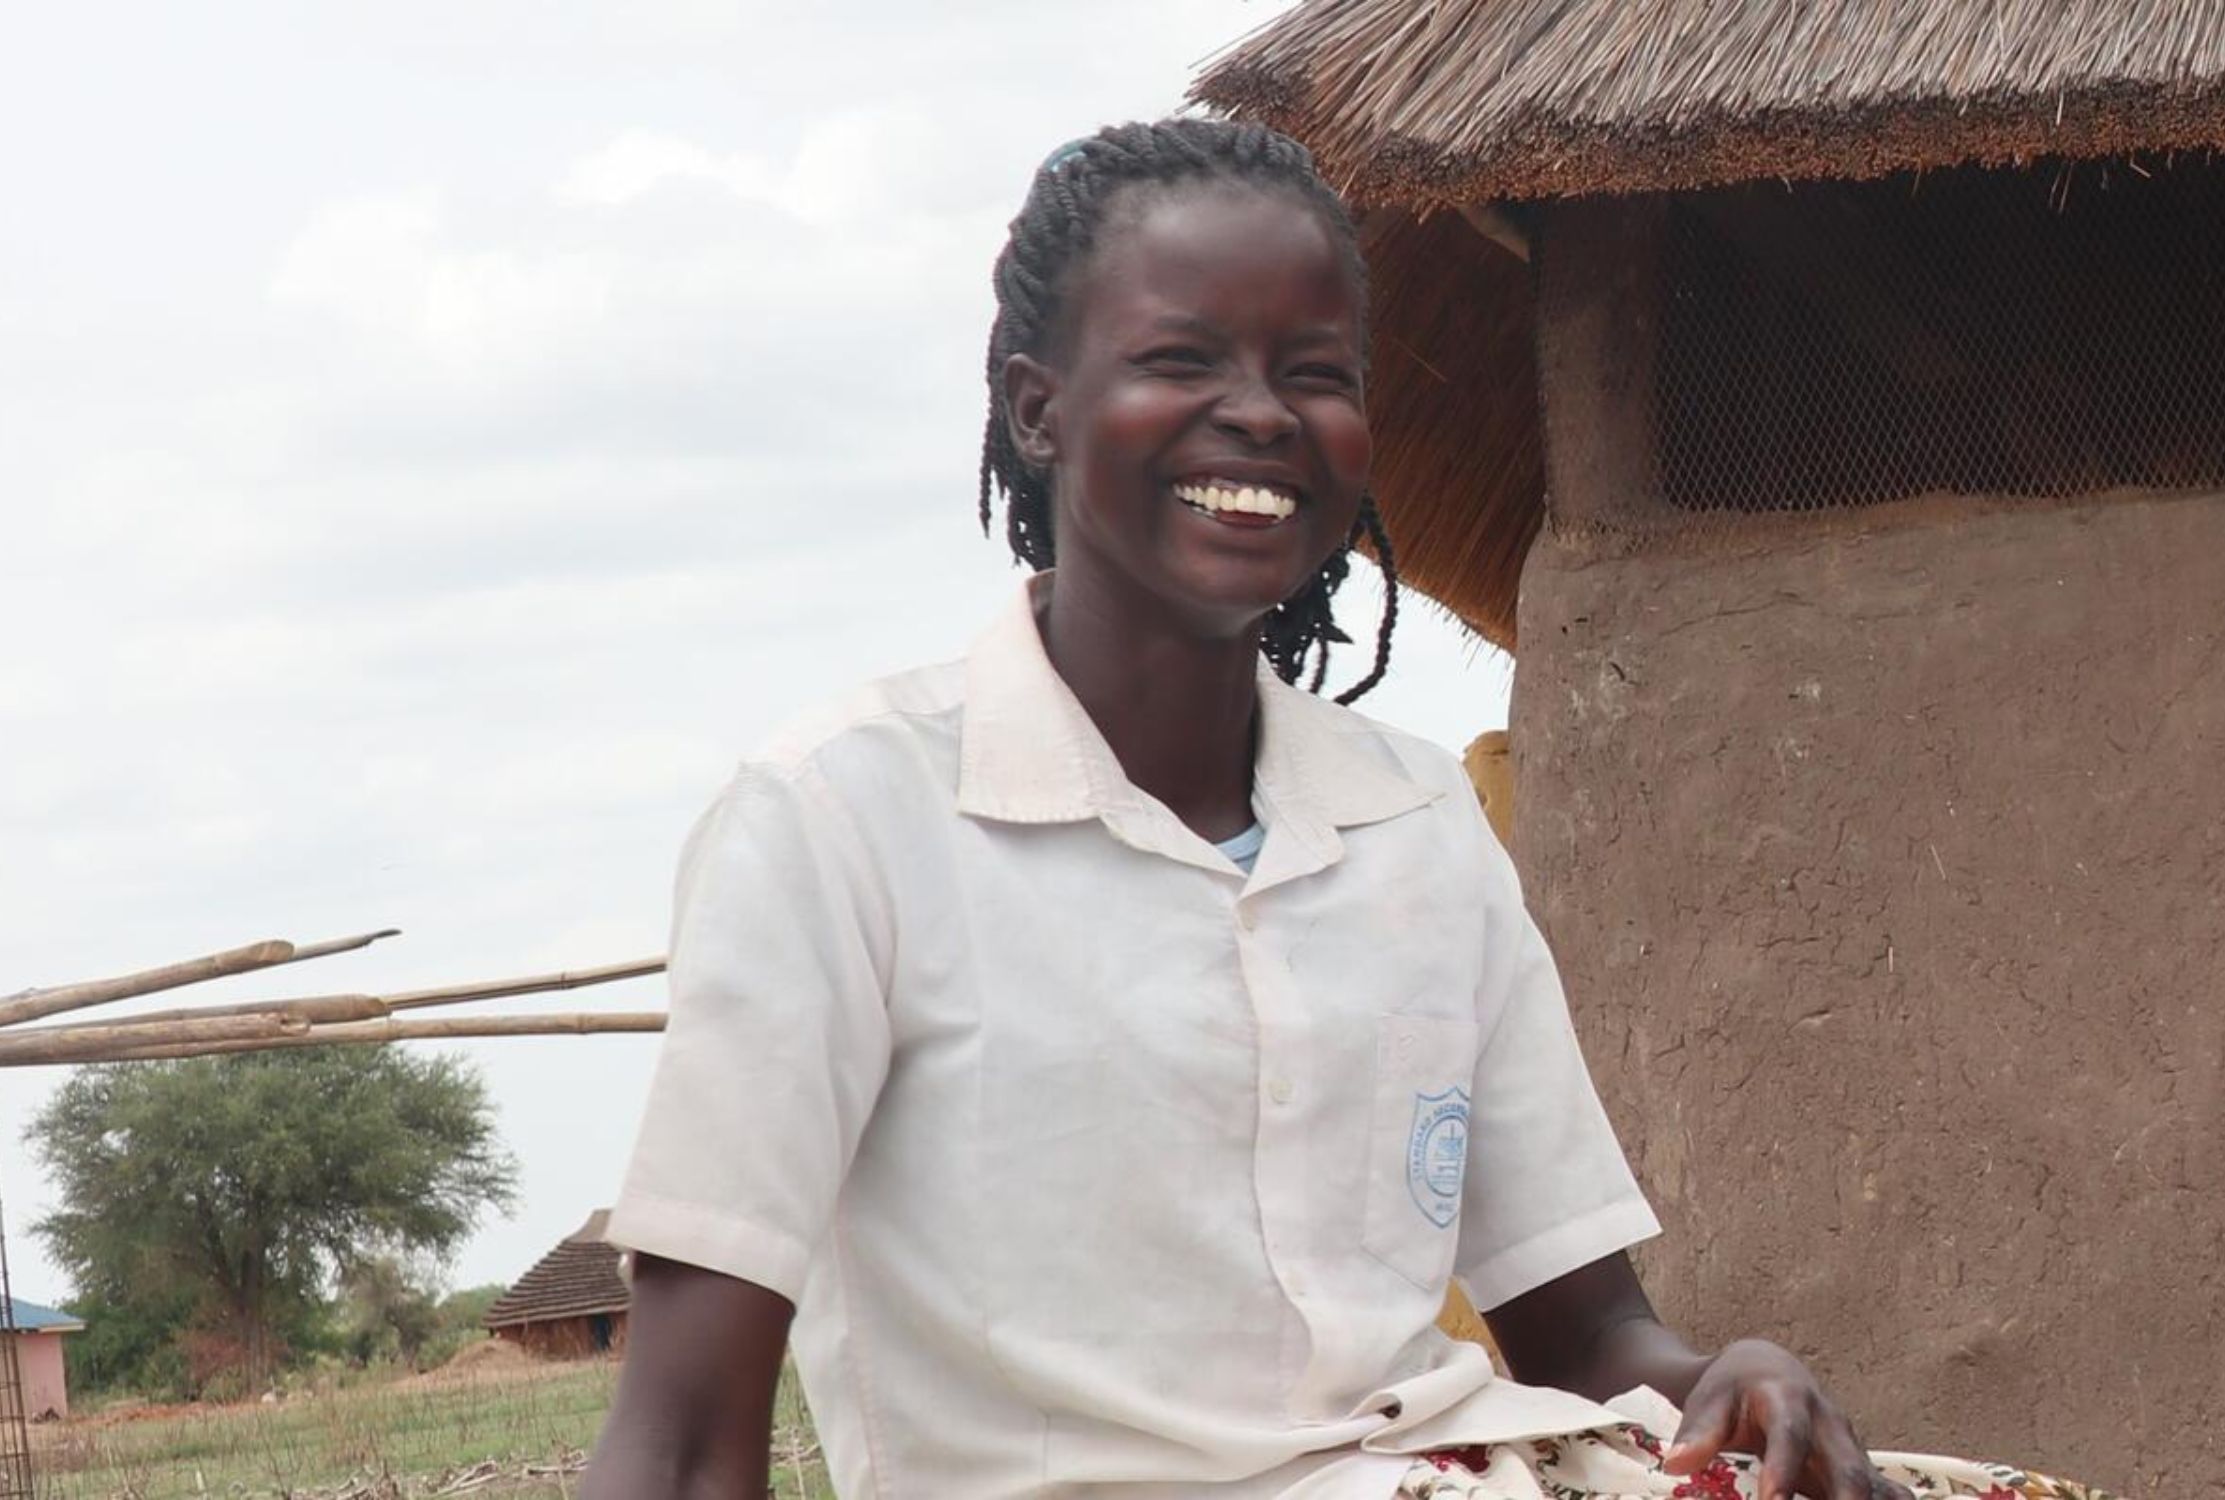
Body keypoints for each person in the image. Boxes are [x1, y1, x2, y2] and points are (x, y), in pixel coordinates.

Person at [582, 120, 2102, 1500]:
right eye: (1182, 361)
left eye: (1313, 374)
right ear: (1037, 412)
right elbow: (684, 1433)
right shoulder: (840, 825)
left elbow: (1585, 1326)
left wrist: (1723, 1382)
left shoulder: (1412, 824)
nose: (1260, 417)